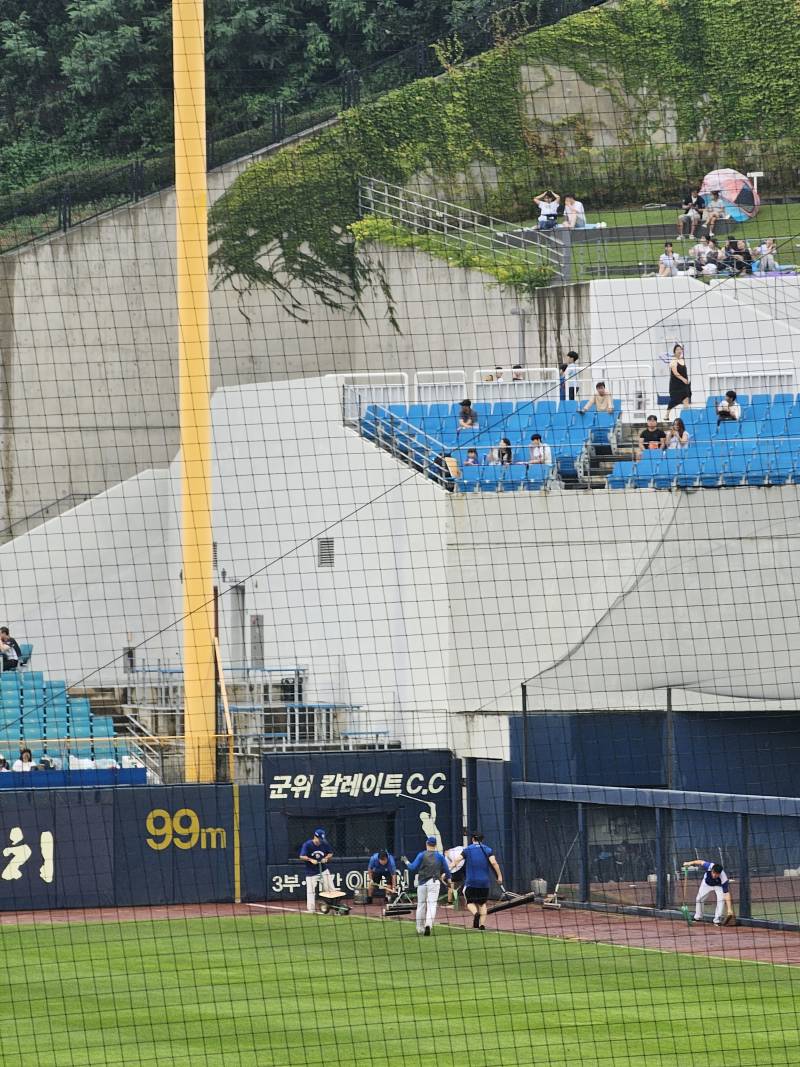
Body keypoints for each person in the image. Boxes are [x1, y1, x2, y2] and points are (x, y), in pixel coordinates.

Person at [405, 836, 451, 935]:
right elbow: (447, 871)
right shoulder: (440, 856)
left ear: (427, 843)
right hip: (434, 883)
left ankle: (419, 928)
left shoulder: (421, 855)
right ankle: (428, 925)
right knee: (432, 905)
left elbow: (412, 867)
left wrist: (406, 862)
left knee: (421, 905)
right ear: (435, 845)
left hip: (422, 883)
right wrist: (448, 880)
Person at [461, 832, 503, 931]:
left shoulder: (467, 849)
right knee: (482, 904)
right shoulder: (488, 850)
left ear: (472, 839)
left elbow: (458, 860)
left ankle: (476, 914)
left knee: (469, 902)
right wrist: (500, 876)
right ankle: (482, 925)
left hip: (471, 882)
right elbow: (493, 862)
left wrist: (450, 868)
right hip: (484, 883)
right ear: (482, 840)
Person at [683, 858, 734, 925]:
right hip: (706, 884)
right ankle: (698, 917)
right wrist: (689, 863)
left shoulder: (724, 878)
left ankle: (717, 920)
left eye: (717, 874)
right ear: (712, 870)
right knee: (699, 899)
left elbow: (726, 894)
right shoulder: (709, 865)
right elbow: (700, 862)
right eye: (713, 873)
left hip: (718, 886)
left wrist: (729, 909)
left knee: (721, 900)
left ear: (720, 873)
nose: (714, 875)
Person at [299, 827, 334, 914]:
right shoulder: (307, 844)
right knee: (311, 891)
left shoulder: (324, 843)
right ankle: (311, 909)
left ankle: (332, 906)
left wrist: (326, 858)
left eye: (321, 839)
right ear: (315, 836)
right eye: (319, 839)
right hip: (311, 872)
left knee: (330, 889)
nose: (320, 841)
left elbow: (330, 853)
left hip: (323, 870)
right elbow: (301, 856)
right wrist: (311, 860)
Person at [667, 343, 691, 419]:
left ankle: (686, 416)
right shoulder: (673, 361)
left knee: (686, 398)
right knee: (674, 400)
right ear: (674, 352)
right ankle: (667, 414)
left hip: (684, 385)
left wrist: (686, 380)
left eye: (680, 349)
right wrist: (683, 379)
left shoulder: (682, 360)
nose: (679, 351)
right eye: (677, 349)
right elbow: (676, 373)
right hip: (676, 385)